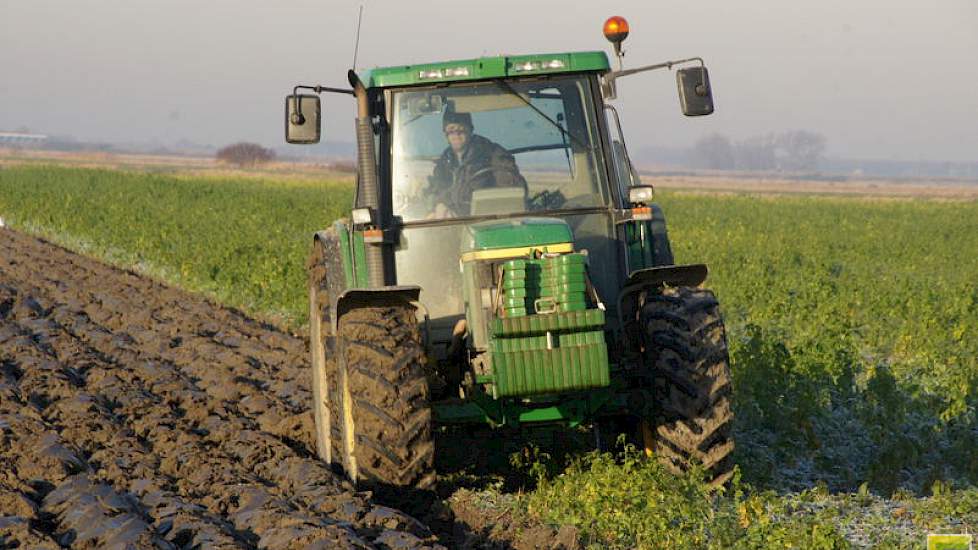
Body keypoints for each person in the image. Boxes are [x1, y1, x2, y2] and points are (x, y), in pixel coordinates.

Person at [426, 110, 526, 218]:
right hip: (456, 220)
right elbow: (437, 188)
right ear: (445, 134)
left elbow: (510, 189)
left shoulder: (493, 154)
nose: (456, 134)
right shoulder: (445, 161)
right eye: (451, 130)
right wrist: (438, 205)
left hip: (488, 220)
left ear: (470, 130)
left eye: (461, 130)